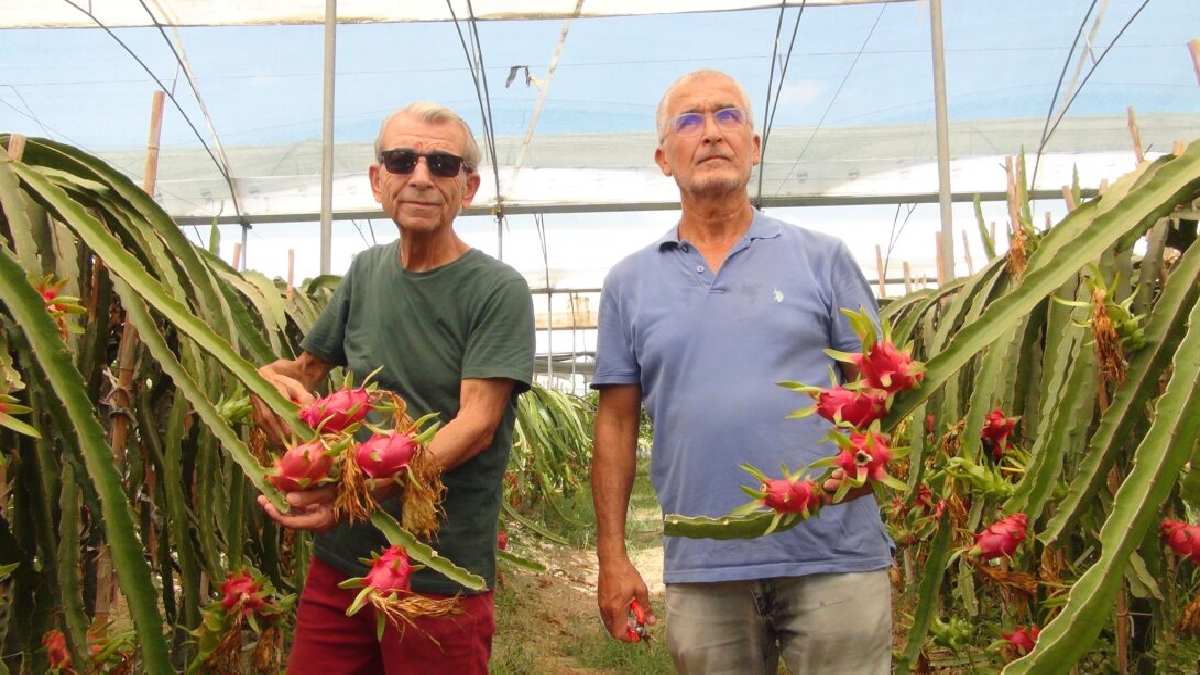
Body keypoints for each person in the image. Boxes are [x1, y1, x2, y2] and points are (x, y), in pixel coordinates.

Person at [590, 70, 892, 674]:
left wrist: (868, 457)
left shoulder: (823, 258)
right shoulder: (629, 283)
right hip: (704, 566)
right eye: (689, 120)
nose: (711, 133)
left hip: (833, 554)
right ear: (662, 157)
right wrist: (612, 555)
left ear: (754, 148)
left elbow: (879, 386)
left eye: (728, 116)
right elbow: (616, 425)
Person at [251, 102, 535, 674]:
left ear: (470, 186)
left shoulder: (498, 290)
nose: (422, 177)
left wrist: (358, 492)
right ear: (379, 180)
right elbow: (304, 370)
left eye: (444, 164)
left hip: (438, 566)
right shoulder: (363, 271)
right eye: (402, 160)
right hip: (342, 559)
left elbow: (476, 425)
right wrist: (264, 382)